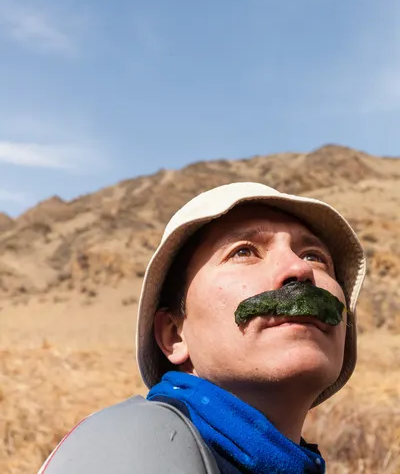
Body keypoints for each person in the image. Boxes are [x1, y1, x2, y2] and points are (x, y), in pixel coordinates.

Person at [39, 182, 366, 474]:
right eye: (244, 251)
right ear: (173, 334)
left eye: (315, 256)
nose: (299, 269)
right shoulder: (136, 444)